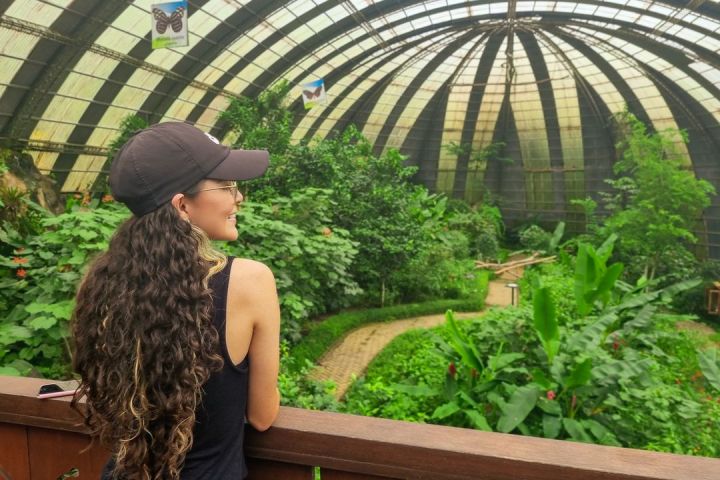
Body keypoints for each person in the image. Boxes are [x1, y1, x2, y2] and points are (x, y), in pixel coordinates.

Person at [71, 122, 281, 480]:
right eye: (227, 186)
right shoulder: (249, 281)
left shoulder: (102, 283)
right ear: (182, 205)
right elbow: (262, 416)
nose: (239, 197)